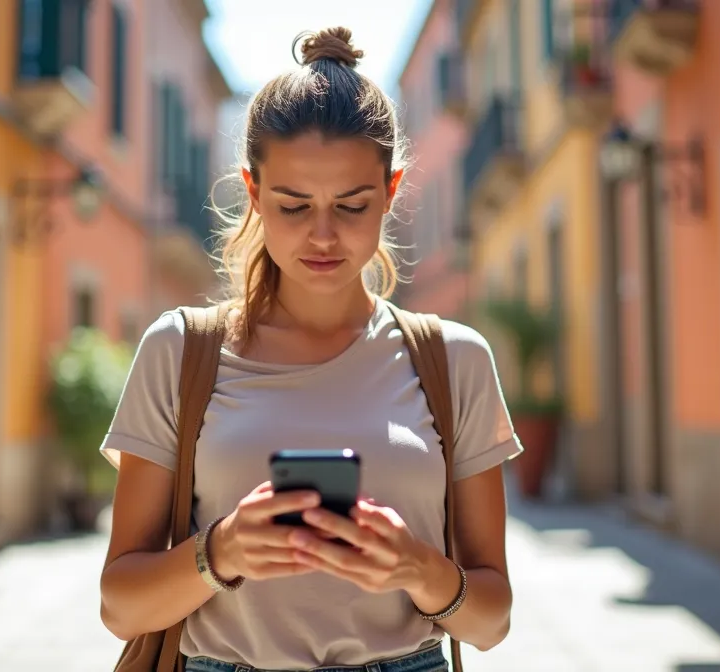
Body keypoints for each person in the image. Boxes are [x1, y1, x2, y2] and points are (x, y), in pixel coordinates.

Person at [98, 26, 521, 672]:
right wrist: (224, 551)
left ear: (391, 190)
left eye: (351, 205)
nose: (323, 235)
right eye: (294, 205)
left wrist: (418, 569)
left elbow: (492, 621)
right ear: (253, 193)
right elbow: (120, 608)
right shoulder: (179, 351)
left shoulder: (456, 361)